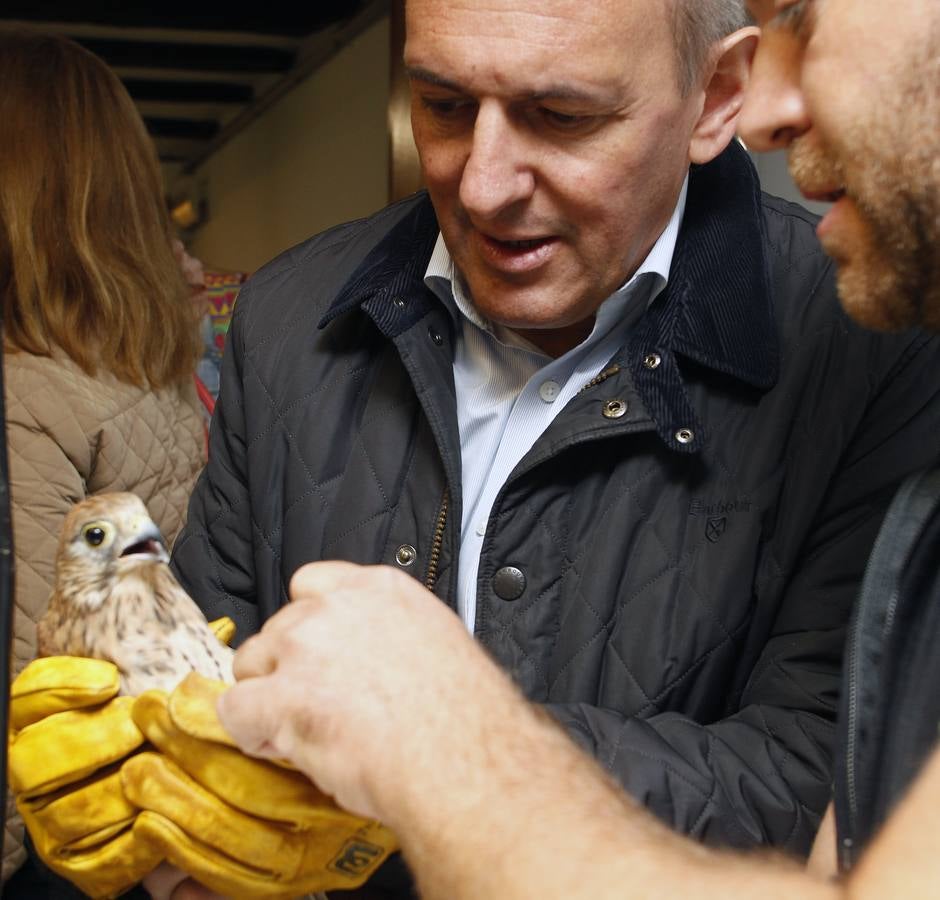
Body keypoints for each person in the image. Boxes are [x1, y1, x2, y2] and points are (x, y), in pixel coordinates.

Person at [167, 0, 940, 890]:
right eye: (444, 105)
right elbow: (205, 676)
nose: (483, 184)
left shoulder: (875, 339)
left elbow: (825, 774)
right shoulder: (288, 314)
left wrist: (434, 747)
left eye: (564, 116)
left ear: (715, 96)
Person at [0, 30, 205, 893]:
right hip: (134, 799)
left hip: (47, 828)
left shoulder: (23, 390)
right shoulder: (152, 364)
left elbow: (20, 664)